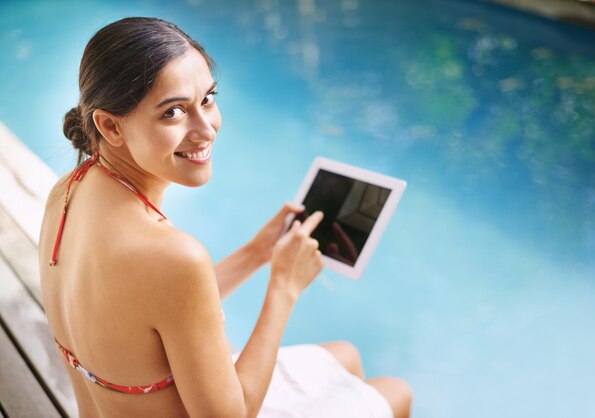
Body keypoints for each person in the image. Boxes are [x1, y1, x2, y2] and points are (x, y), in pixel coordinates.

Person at [38, 17, 412, 418]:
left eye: (208, 99)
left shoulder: (67, 191)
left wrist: (256, 252)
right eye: (173, 113)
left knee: (346, 355)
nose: (206, 129)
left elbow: (155, 305)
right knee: (395, 391)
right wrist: (283, 289)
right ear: (110, 125)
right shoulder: (171, 255)